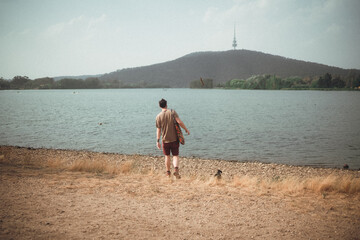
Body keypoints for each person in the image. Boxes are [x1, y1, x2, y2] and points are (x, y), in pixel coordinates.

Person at [156, 98, 190, 178]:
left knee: (167, 156)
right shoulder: (172, 112)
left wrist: (157, 141)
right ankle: (176, 170)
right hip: (174, 139)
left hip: (165, 140)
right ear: (166, 105)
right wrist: (186, 129)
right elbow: (179, 122)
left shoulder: (158, 116)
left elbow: (158, 130)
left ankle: (168, 173)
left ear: (159, 106)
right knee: (175, 155)